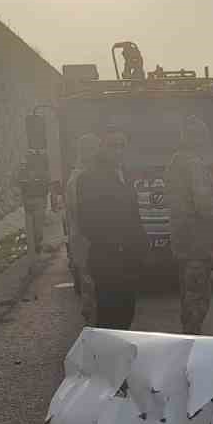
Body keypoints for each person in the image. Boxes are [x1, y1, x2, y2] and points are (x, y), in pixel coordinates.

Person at [76, 131, 143, 329]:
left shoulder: (125, 175)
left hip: (128, 259)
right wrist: (115, 243)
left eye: (122, 145)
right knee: (108, 315)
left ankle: (119, 357)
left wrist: (140, 247)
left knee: (127, 311)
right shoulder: (88, 179)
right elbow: (86, 222)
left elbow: (134, 215)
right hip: (106, 258)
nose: (118, 150)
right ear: (103, 148)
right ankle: (106, 358)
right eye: (113, 145)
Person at [164, 116, 213, 334]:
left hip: (182, 237)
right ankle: (193, 340)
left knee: (187, 291)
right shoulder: (194, 165)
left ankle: (189, 333)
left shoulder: (174, 163)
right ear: (196, 139)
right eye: (203, 136)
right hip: (197, 239)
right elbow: (203, 204)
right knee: (198, 296)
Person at [64, 133, 99, 321]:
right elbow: (79, 211)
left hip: (88, 240)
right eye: (91, 150)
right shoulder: (78, 178)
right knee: (90, 285)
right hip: (85, 240)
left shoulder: (84, 175)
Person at [15, 144, 50, 256]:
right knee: (35, 226)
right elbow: (19, 182)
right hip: (34, 200)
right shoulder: (26, 170)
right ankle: (35, 245)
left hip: (34, 200)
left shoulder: (36, 170)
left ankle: (36, 245)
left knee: (35, 226)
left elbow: (45, 183)